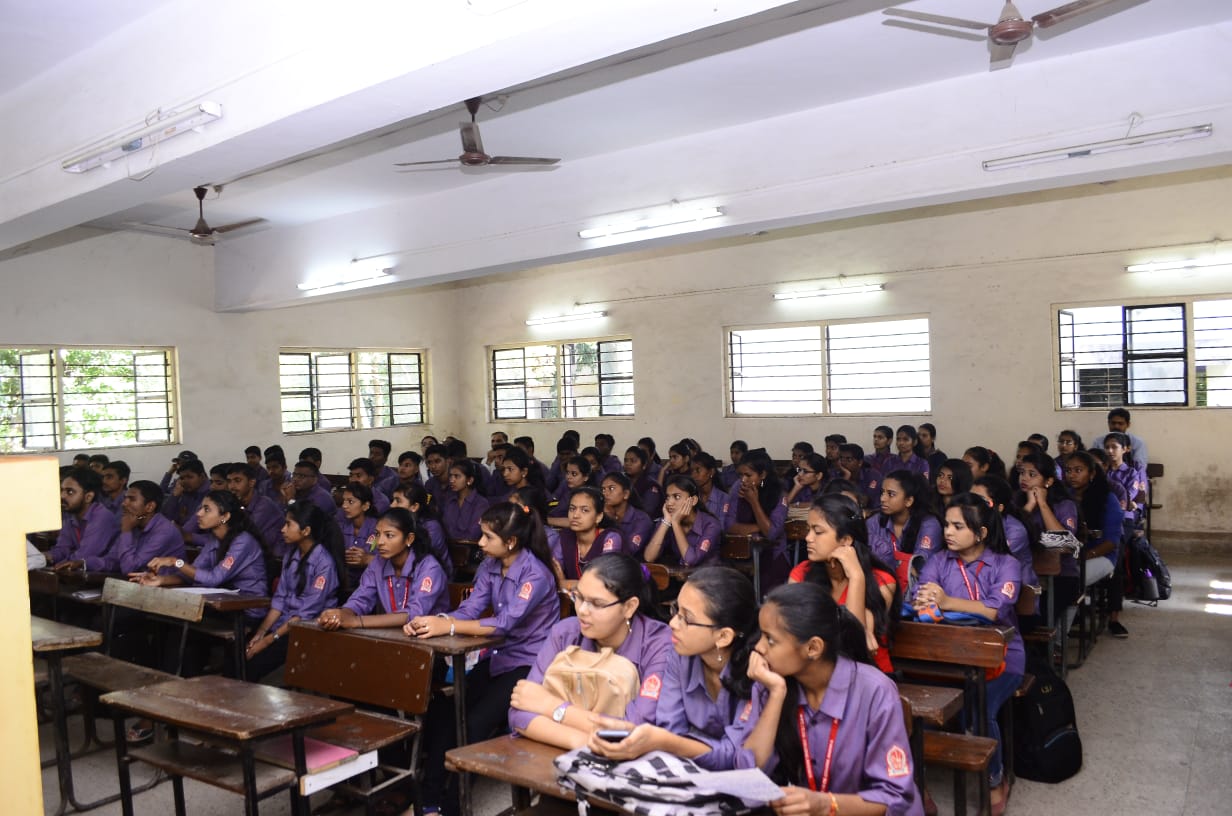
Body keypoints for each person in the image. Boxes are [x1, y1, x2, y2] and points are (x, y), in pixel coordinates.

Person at [407, 502, 560, 816]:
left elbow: (505, 623)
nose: (480, 542)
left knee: (475, 723)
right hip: (500, 655)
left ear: (511, 541)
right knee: (447, 711)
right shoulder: (491, 565)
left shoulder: (536, 574)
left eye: (488, 536)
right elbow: (471, 609)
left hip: (531, 663)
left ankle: (453, 806)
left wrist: (449, 627)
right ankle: (428, 800)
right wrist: (433, 622)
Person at [731, 582, 921, 816]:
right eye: (761, 635)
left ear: (813, 648)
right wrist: (776, 696)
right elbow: (749, 775)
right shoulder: (770, 683)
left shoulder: (875, 691)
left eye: (770, 640)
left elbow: (894, 797)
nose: (758, 648)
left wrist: (826, 804)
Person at [913, 493, 1025, 815]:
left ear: (981, 533)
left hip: (1002, 656)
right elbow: (922, 603)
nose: (947, 532)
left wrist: (947, 603)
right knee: (914, 709)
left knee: (978, 710)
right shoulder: (938, 561)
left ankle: (995, 781)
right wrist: (938, 605)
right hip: (946, 654)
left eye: (958, 526)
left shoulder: (1006, 564)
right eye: (947, 524)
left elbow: (994, 611)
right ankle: (919, 785)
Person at [585, 566, 758, 769]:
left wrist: (665, 742)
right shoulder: (679, 655)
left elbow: (738, 757)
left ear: (723, 636)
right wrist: (665, 740)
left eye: (687, 619)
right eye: (676, 610)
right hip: (687, 770)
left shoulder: (757, 673)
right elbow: (671, 727)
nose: (673, 623)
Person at [508, 553, 674, 749]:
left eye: (597, 604)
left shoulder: (659, 644)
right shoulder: (565, 633)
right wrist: (581, 742)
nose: (582, 611)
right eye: (578, 597)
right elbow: (519, 711)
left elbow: (635, 729)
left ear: (629, 607)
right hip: (569, 751)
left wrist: (550, 706)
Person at [789, 494, 898, 674]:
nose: (808, 538)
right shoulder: (801, 573)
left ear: (846, 540)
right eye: (808, 529)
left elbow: (855, 644)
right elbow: (794, 631)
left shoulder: (882, 581)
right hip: (818, 674)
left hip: (868, 677)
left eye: (818, 531)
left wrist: (856, 576)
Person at [245, 502, 347, 680]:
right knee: (241, 651)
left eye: (288, 524)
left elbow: (305, 614)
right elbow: (279, 601)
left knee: (255, 665)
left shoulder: (324, 563)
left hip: (306, 629)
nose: (283, 529)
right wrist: (260, 633)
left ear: (306, 531)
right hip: (284, 624)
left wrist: (267, 641)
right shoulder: (291, 554)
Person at [320, 507, 446, 632]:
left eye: (389, 535)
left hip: (430, 637)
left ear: (409, 539)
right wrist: (341, 615)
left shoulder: (429, 567)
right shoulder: (378, 563)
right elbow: (361, 599)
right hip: (393, 635)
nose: (380, 542)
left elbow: (414, 613)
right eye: (377, 534)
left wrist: (356, 621)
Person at [1064, 451, 1128, 638]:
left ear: (1091, 474)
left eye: (1078, 470)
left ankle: (1058, 639)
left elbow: (1111, 543)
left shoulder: (1107, 499)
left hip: (1102, 555)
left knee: (1071, 582)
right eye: (1068, 470)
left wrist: (1083, 557)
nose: (1072, 475)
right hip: (1070, 555)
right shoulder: (1065, 496)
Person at [725, 448, 790, 593]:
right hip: (741, 553)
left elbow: (771, 534)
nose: (743, 480)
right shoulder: (737, 487)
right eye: (740, 475)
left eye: (748, 475)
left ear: (763, 475)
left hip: (773, 554)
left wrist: (753, 501)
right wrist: (759, 527)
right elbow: (729, 525)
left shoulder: (779, 494)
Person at [866, 470, 942, 592]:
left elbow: (919, 567)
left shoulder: (929, 524)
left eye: (891, 494)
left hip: (916, 591)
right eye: (882, 492)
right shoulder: (875, 521)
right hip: (880, 587)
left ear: (909, 501)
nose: (882, 499)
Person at [103, 481, 185, 574]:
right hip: (140, 580)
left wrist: (126, 531)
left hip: (166, 582)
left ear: (150, 507)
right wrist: (88, 562)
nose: (124, 504)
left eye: (132, 499)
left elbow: (129, 568)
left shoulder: (164, 531)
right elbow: (111, 561)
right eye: (125, 498)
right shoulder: (134, 523)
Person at [47, 466, 119, 570]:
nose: (62, 496)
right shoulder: (71, 516)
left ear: (88, 497)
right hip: (82, 573)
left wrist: (54, 566)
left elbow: (84, 555)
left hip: (104, 575)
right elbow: (62, 548)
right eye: (61, 490)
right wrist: (46, 556)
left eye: (70, 492)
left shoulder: (102, 517)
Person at [643, 475, 723, 567]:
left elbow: (691, 560)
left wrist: (676, 523)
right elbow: (649, 557)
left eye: (677, 497)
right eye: (668, 497)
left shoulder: (711, 524)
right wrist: (666, 521)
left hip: (710, 574)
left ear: (693, 500)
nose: (669, 503)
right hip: (682, 574)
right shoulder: (667, 520)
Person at [555, 486, 626, 581]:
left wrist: (564, 583)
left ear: (598, 517)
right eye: (572, 509)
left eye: (585, 510)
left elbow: (604, 581)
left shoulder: (610, 537)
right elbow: (554, 569)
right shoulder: (565, 536)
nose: (575, 515)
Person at [226, 462, 286, 560]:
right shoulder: (236, 503)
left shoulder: (264, 505)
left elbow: (241, 536)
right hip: (254, 555)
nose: (232, 486)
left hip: (276, 560)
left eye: (237, 481)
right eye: (229, 481)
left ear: (251, 483)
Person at [600, 472, 654, 556]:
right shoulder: (599, 515)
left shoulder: (641, 519)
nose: (605, 493)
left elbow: (630, 550)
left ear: (626, 494)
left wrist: (610, 521)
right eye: (603, 489)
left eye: (611, 488)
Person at [337, 482, 380, 584]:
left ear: (365, 506)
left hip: (371, 581)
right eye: (344, 501)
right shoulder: (340, 526)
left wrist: (367, 559)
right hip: (344, 581)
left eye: (350, 502)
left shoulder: (378, 529)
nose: (344, 506)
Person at [442, 459, 490, 541]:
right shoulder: (449, 501)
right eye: (450, 476)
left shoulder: (481, 503)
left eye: (457, 476)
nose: (451, 480)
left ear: (470, 480)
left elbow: (473, 534)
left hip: (472, 546)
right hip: (450, 546)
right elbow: (445, 530)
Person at [548, 455, 599, 526]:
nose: (568, 477)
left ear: (586, 477)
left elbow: (576, 521)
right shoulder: (565, 485)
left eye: (574, 474)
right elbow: (552, 501)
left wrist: (546, 520)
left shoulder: (589, 496)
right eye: (567, 473)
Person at [836, 443, 882, 512]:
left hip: (872, 513)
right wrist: (846, 477)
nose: (843, 462)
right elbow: (835, 502)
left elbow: (863, 502)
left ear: (860, 462)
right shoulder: (836, 475)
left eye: (849, 459)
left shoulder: (873, 475)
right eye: (841, 458)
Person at [690, 451, 730, 527]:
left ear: (711, 472)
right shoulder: (691, 497)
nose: (693, 475)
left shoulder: (723, 499)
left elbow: (722, 526)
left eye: (698, 470)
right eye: (692, 471)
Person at [623, 445, 663, 520]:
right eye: (626, 460)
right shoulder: (622, 481)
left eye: (633, 461)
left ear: (644, 465)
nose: (627, 464)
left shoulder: (651, 486)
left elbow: (646, 512)